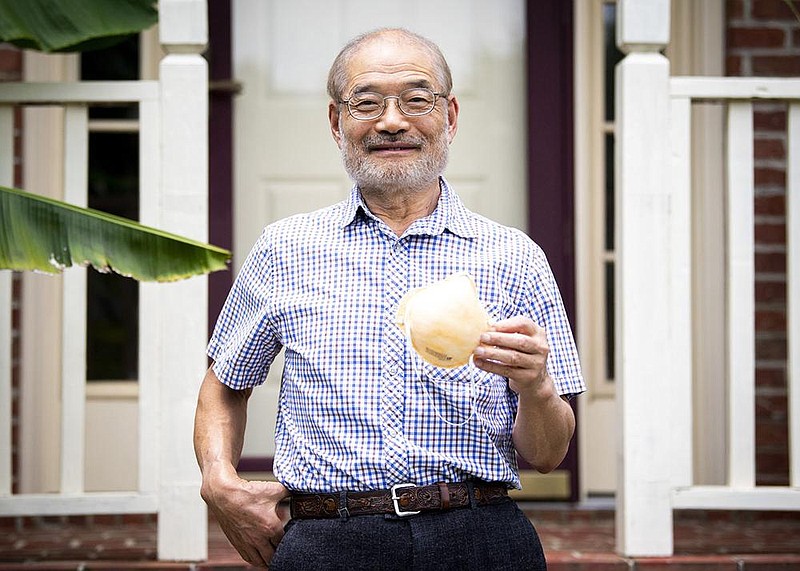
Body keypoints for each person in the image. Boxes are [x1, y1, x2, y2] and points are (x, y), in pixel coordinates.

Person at [194, 27, 585, 570]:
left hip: (481, 539)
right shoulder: (286, 248)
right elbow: (224, 385)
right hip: (328, 540)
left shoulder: (514, 256)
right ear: (337, 122)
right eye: (367, 102)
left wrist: (536, 385)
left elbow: (548, 454)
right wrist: (219, 480)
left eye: (416, 99)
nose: (393, 120)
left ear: (449, 116)